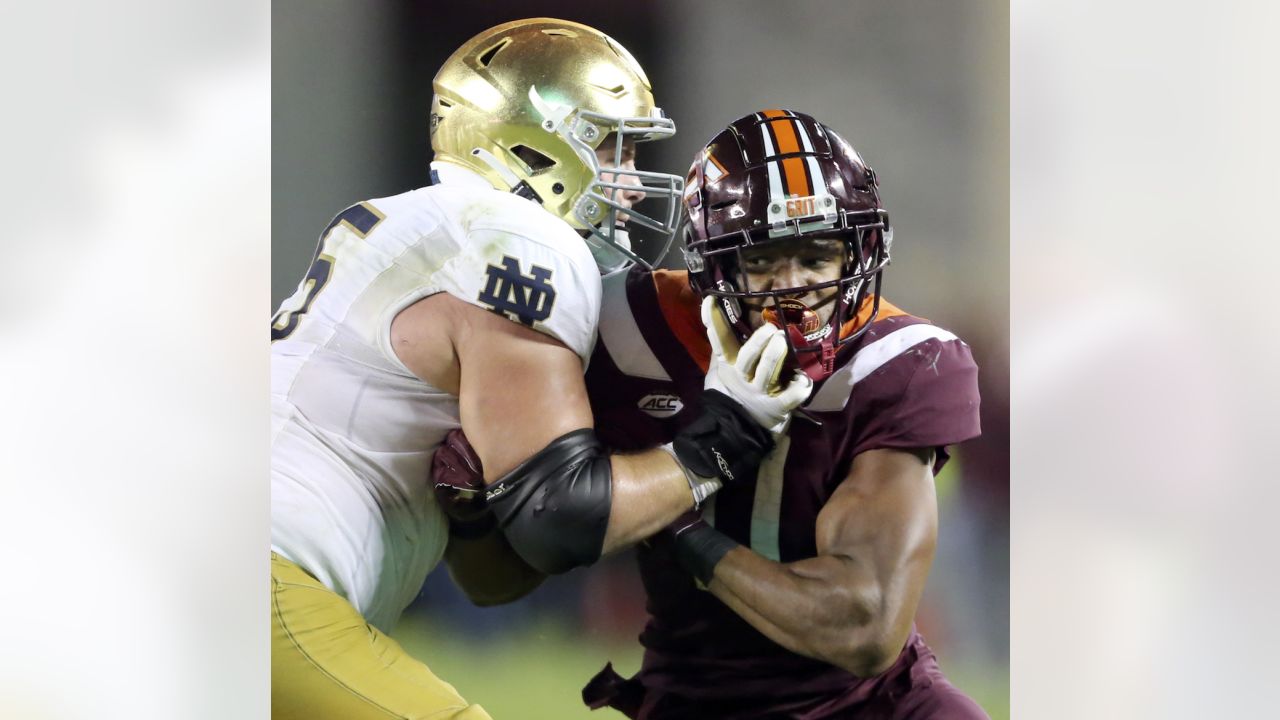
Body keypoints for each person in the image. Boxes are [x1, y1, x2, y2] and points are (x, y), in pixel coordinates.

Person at [270, 20, 810, 720]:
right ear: (534, 143)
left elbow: (491, 578)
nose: (633, 186)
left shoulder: (425, 225)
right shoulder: (522, 238)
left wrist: (470, 513)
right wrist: (727, 435)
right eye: (612, 147)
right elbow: (561, 519)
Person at [435, 109, 989, 718]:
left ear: (859, 250)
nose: (793, 289)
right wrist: (479, 517)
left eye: (816, 256)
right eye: (762, 262)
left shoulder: (904, 363)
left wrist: (675, 527)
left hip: (875, 704)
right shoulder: (630, 332)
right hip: (694, 699)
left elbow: (864, 629)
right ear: (712, 267)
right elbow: (497, 582)